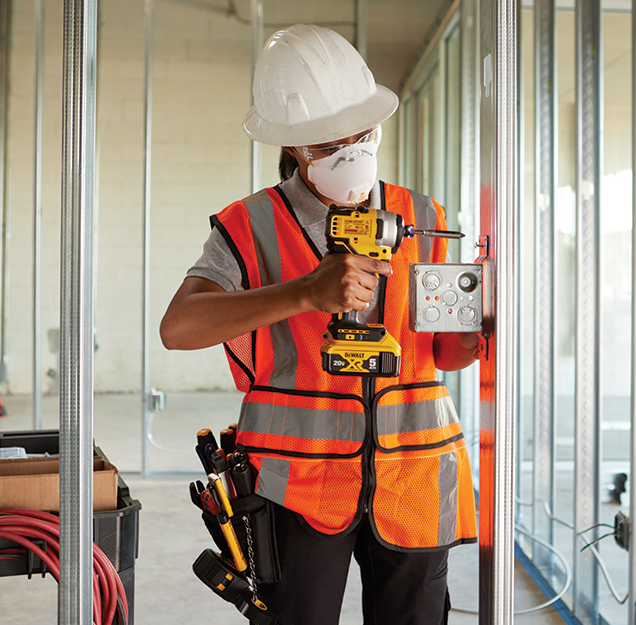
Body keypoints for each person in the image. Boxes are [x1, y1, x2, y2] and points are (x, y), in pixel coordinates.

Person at [161, 24, 479, 625]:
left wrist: (480, 325)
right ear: (293, 147)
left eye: (360, 136)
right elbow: (179, 328)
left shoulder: (423, 216)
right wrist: (304, 292)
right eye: (325, 145)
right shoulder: (249, 224)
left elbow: (447, 352)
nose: (348, 153)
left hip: (411, 478)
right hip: (296, 487)